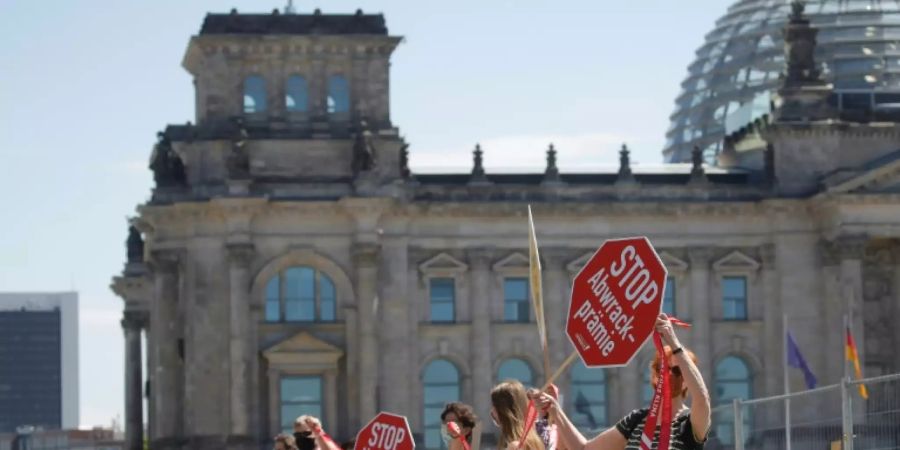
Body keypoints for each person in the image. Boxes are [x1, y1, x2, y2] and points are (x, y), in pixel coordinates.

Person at [534, 314, 711, 450]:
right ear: (654, 375)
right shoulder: (637, 420)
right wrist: (555, 410)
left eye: (677, 371)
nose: (668, 374)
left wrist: (673, 342)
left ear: (688, 380)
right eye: (662, 368)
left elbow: (702, 398)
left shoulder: (689, 423)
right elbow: (584, 448)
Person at [491, 380, 545, 450]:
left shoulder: (515, 446)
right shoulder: (532, 440)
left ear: (504, 410)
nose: (492, 411)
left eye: (495, 406)